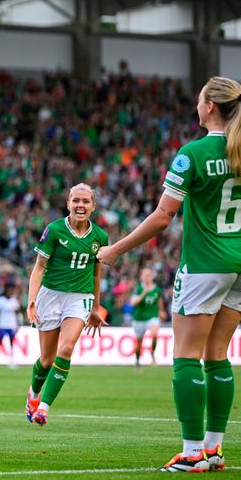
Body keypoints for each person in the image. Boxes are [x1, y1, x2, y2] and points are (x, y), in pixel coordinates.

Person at [97, 77, 241, 472]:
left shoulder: (192, 154)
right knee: (218, 355)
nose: (196, 106)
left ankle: (193, 452)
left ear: (210, 105)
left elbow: (163, 217)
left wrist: (115, 249)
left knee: (186, 356)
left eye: (199, 100)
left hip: (205, 265)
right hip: (240, 264)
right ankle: (214, 450)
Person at [24, 183, 109, 427]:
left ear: (93, 206)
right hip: (50, 296)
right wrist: (31, 302)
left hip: (79, 298)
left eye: (85, 201)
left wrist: (95, 307)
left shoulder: (100, 236)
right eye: (76, 201)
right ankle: (34, 393)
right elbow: (39, 267)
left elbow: (96, 274)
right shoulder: (53, 230)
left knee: (67, 348)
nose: (80, 206)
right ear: (68, 203)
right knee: (47, 360)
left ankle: (44, 407)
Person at [130, 267, 166, 372]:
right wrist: (143, 294)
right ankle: (137, 361)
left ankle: (152, 353)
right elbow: (133, 303)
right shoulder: (139, 289)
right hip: (139, 318)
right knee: (139, 343)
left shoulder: (157, 289)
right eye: (145, 274)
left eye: (149, 274)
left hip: (152, 316)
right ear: (141, 277)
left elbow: (159, 301)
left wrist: (162, 311)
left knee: (155, 334)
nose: (147, 277)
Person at [0, 285, 21, 370]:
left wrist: (19, 323)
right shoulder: (0, 300)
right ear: (6, 291)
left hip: (12, 325)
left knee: (11, 343)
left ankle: (11, 361)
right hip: (3, 324)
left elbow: (18, 312)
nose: (10, 292)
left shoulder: (14, 300)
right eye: (9, 290)